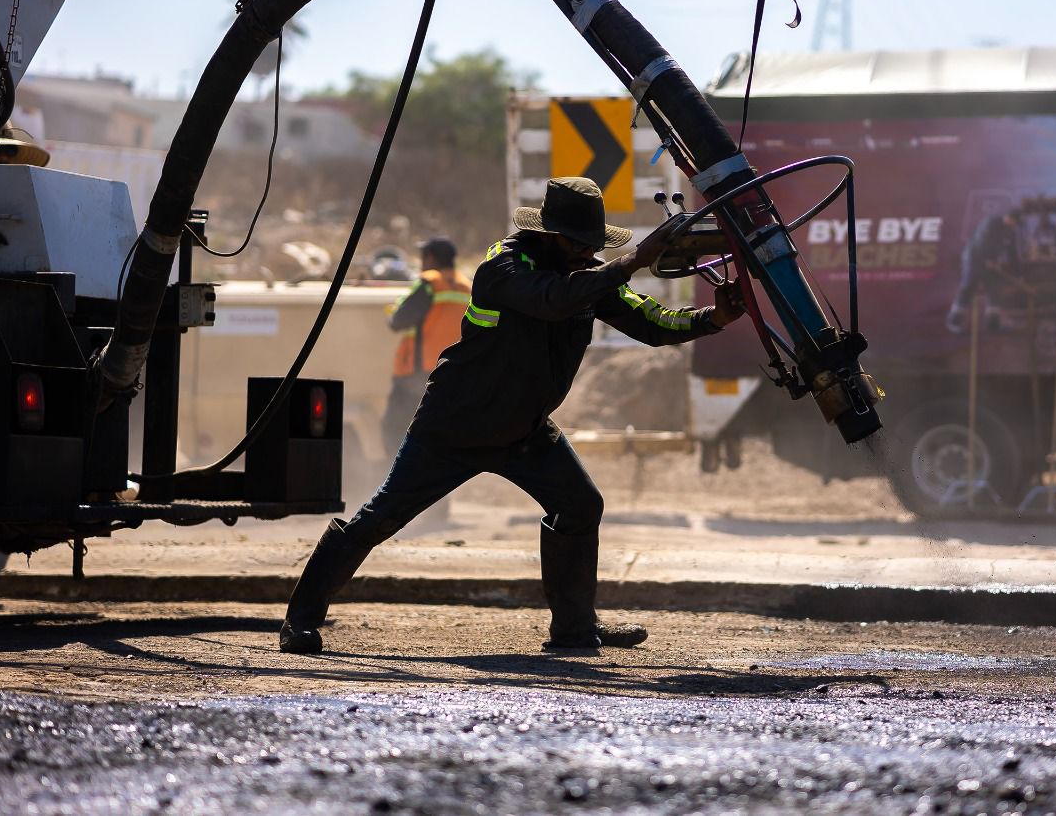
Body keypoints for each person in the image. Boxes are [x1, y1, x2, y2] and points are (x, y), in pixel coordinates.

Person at [280, 177, 746, 654]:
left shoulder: (586, 275)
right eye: (581, 245)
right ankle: (299, 621)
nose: (589, 254)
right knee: (378, 520)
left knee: (581, 506)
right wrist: (633, 262)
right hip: (454, 427)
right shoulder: (503, 265)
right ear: (550, 235)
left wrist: (713, 319)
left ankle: (574, 630)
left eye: (594, 247)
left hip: (525, 429)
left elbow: (649, 321)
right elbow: (550, 299)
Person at [381, 236, 472, 450]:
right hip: (452, 373)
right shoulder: (467, 287)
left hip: (416, 374)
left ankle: (393, 477)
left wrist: (392, 313)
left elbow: (398, 321)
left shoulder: (430, 282)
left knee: (394, 429)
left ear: (430, 258)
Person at [945, 208, 1021, 333]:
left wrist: (1017, 273)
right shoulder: (990, 222)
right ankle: (954, 322)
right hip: (973, 260)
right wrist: (987, 259)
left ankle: (993, 325)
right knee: (968, 288)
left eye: (1016, 224)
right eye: (1014, 222)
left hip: (991, 263)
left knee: (995, 289)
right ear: (1008, 217)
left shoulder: (1011, 232)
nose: (1014, 225)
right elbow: (981, 242)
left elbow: (1013, 254)